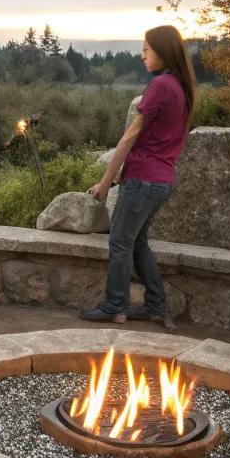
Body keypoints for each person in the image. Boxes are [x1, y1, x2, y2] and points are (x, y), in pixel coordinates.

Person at [81, 24, 196, 324]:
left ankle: (113, 305)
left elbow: (130, 136)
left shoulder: (160, 86)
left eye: (146, 50)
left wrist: (106, 180)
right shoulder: (182, 88)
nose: (142, 55)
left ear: (163, 51)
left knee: (120, 242)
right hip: (161, 180)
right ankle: (155, 305)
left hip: (143, 180)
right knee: (137, 242)